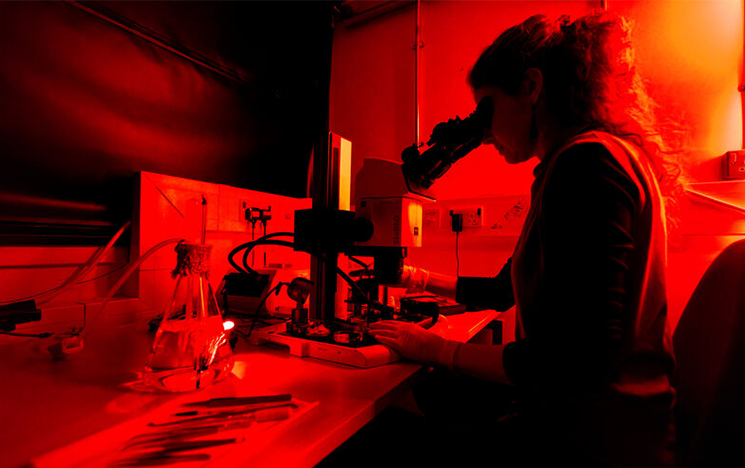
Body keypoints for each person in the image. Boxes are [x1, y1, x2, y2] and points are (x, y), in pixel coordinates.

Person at [368, 11, 681, 468]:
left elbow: (577, 363)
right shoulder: (585, 160)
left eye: (488, 106)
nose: (486, 131)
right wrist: (414, 276)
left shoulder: (586, 164)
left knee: (378, 436)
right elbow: (503, 291)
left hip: (596, 438)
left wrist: (438, 349)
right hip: (600, 421)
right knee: (435, 395)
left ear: (532, 87)